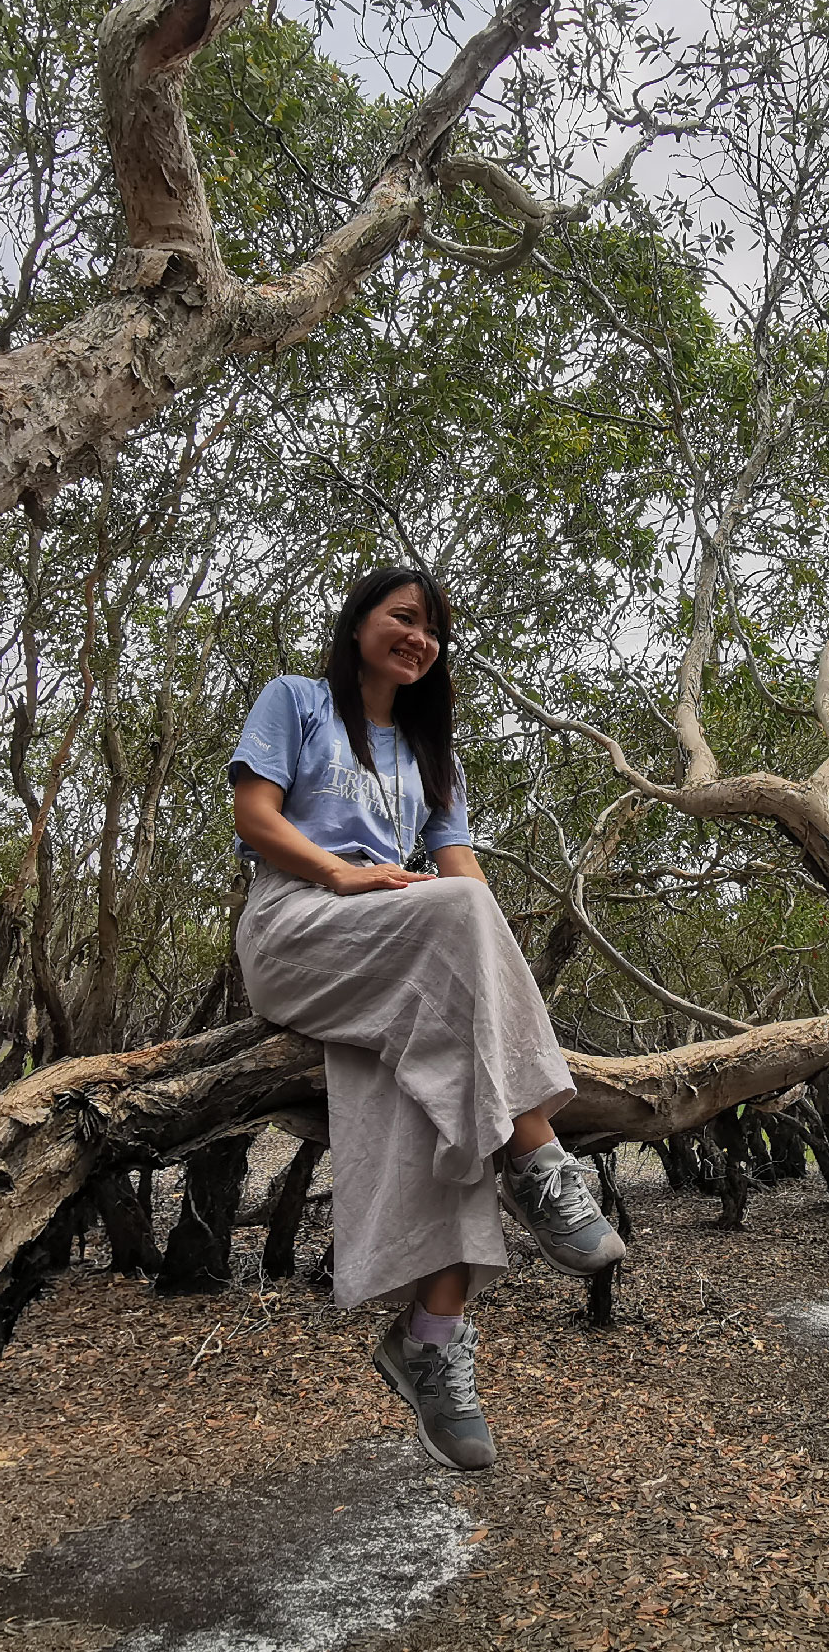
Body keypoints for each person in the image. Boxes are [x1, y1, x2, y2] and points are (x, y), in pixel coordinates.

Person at [228, 565, 627, 1471]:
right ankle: (536, 1161)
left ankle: (433, 1337)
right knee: (455, 929)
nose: (419, 637)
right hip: (298, 930)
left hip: (394, 949)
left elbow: (465, 880)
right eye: (404, 616)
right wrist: (344, 872)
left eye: (432, 629)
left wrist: (498, 1002)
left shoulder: (431, 755)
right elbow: (255, 817)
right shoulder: (296, 701)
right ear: (359, 618)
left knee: (454, 1093)